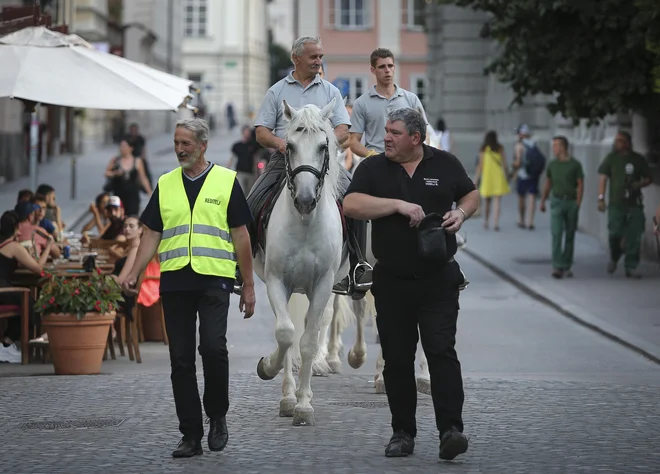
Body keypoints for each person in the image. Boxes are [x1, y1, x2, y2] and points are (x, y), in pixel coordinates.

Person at [342, 108, 479, 461]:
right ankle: (402, 433)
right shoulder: (373, 167)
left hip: (438, 280)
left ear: (415, 138)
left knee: (441, 353)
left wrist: (461, 213)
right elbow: (352, 205)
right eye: (386, 131)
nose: (386, 137)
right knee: (398, 361)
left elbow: (471, 195)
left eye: (394, 132)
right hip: (392, 282)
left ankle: (451, 430)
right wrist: (397, 205)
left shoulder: (444, 163)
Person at [120, 117, 255, 458]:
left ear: (203, 146)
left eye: (186, 144)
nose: (180, 149)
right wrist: (134, 272)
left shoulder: (226, 181)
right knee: (180, 360)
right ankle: (191, 434)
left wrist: (249, 284)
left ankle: (217, 416)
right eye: (177, 143)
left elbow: (241, 235)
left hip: (215, 279)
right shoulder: (165, 184)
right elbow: (151, 233)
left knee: (213, 349)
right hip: (176, 280)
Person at [243, 35, 372, 299]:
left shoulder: (330, 91)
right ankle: (240, 265)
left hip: (322, 162)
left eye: (320, 57)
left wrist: (322, 144)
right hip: (284, 160)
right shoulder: (277, 91)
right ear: (296, 58)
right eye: (313, 57)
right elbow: (261, 132)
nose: (318, 61)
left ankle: (358, 264)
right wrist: (283, 144)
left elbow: (344, 131)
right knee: (250, 202)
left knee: (353, 201)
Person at [348, 48, 427, 158]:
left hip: (406, 161)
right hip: (376, 162)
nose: (387, 70)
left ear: (394, 68)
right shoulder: (361, 103)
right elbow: (353, 142)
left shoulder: (411, 99)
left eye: (390, 66)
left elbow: (424, 134)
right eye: (382, 67)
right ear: (373, 70)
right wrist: (372, 155)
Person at [597, 131, 652, 278]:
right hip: (616, 204)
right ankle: (615, 257)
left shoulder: (637, 159)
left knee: (635, 235)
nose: (616, 143)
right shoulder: (611, 159)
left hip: (635, 203)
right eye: (616, 141)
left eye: (619, 141)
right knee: (615, 233)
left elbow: (648, 178)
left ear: (627, 143)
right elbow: (603, 178)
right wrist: (601, 198)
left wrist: (638, 184)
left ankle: (631, 267)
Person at [0, 210, 53, 363]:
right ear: (16, 228)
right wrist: (48, 246)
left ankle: (7, 343)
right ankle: (38, 337)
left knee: (23, 302)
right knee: (29, 303)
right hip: (3, 291)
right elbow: (39, 269)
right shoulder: (13, 246)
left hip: (4, 289)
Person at [539, 136, 584, 278]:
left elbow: (580, 184)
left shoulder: (575, 165)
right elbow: (548, 183)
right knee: (557, 233)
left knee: (570, 234)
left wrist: (578, 203)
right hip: (557, 201)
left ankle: (567, 264)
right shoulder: (552, 165)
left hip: (570, 202)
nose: (553, 149)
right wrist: (543, 200)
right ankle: (557, 266)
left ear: (563, 147)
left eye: (555, 146)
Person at [104, 138, 152, 216]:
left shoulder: (137, 161)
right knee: (119, 218)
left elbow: (143, 178)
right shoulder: (115, 160)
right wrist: (114, 174)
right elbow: (106, 173)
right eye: (121, 146)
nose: (121, 148)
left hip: (132, 196)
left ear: (131, 148)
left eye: (124, 146)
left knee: (132, 217)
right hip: (118, 194)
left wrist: (150, 193)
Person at [473, 130, 510, 231]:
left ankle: (486, 221)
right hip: (498, 177)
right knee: (497, 201)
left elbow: (480, 166)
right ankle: (495, 223)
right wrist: (507, 176)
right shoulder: (500, 148)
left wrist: (475, 179)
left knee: (487, 201)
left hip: (487, 177)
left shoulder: (483, 149)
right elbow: (505, 164)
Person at [512, 124, 544, 230]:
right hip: (533, 175)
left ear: (520, 134)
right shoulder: (534, 144)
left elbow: (518, 162)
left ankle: (522, 219)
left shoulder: (519, 146)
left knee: (522, 197)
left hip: (523, 175)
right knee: (532, 197)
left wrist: (513, 167)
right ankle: (530, 221)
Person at [228, 125, 259, 195]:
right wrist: (228, 170)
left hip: (250, 173)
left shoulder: (253, 145)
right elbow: (232, 159)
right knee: (241, 191)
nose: (248, 133)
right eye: (246, 131)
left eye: (249, 132)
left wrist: (256, 173)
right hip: (240, 172)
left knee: (250, 192)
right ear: (243, 132)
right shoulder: (237, 145)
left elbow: (255, 159)